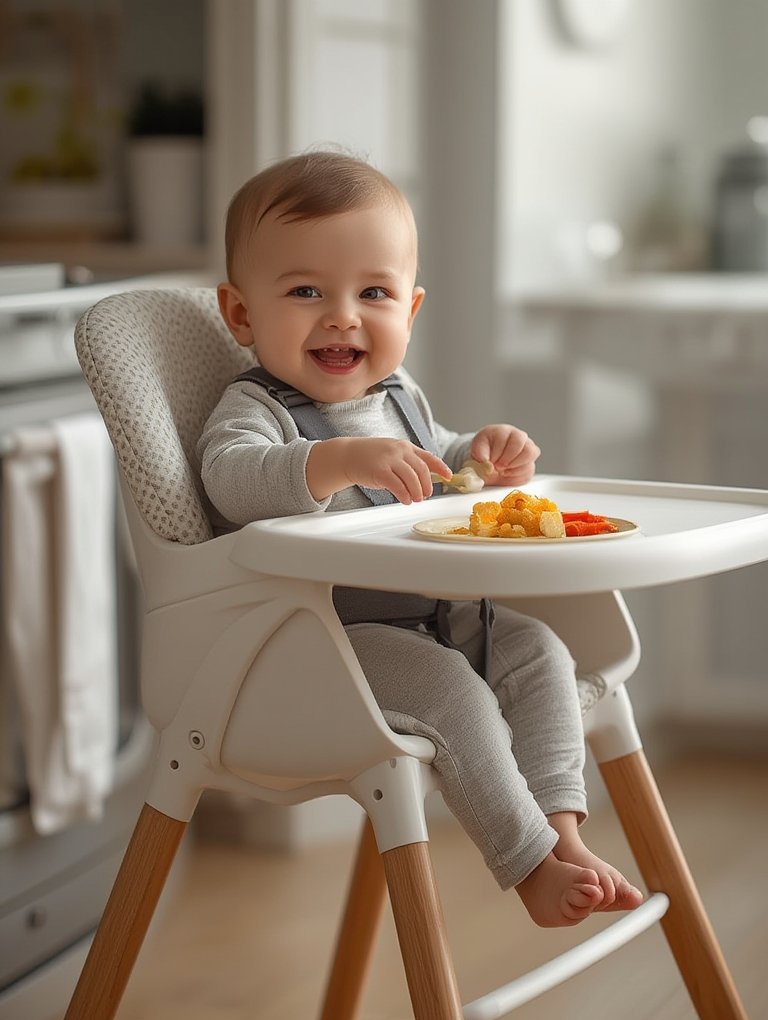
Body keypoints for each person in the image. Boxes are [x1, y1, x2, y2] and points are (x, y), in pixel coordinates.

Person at [197, 151, 643, 927]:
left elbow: (441, 461)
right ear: (240, 314)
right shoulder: (255, 410)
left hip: (438, 614)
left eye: (374, 292)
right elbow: (229, 479)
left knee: (540, 652)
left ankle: (562, 831)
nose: (343, 315)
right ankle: (527, 862)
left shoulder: (400, 398)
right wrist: (333, 461)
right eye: (306, 291)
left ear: (411, 309)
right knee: (455, 693)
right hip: (327, 638)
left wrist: (485, 453)